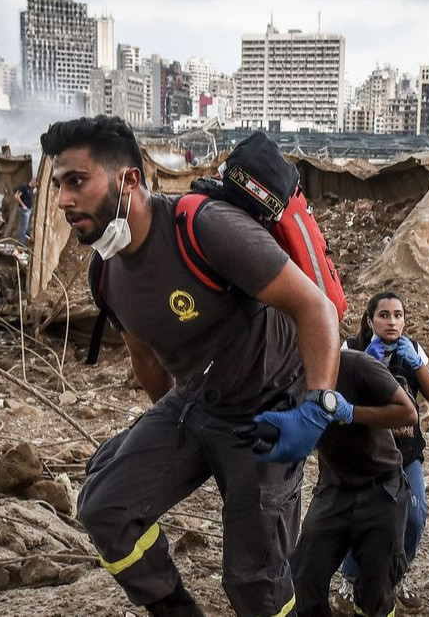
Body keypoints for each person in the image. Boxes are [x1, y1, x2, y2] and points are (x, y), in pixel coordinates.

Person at [46, 117, 341, 616]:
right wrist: (179, 439)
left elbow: (318, 309)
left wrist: (316, 409)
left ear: (129, 180)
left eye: (77, 181)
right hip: (199, 401)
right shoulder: (106, 271)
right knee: (106, 508)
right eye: (58, 185)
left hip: (271, 407)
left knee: (253, 580)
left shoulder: (202, 227)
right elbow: (145, 357)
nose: (62, 201)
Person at [286, 349, 417, 616]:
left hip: (381, 490)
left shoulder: (356, 365)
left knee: (375, 591)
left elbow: (408, 413)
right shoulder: (286, 371)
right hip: (334, 489)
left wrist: (352, 412)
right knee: (303, 576)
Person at [338, 292, 429, 613]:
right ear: (370, 320)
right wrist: (363, 364)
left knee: (414, 515)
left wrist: (418, 362)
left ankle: (397, 576)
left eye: (398, 315)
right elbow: (337, 397)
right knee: (356, 515)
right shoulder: (351, 349)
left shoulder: (410, 349)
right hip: (362, 451)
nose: (392, 321)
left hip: (405, 452)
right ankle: (351, 578)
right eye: (384, 315)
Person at [13, 178, 36, 245]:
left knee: (27, 225)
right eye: (35, 184)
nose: (35, 185)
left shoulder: (30, 190)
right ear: (32, 181)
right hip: (24, 210)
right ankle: (21, 242)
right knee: (24, 226)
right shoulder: (24, 187)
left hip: (29, 210)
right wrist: (23, 205)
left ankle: (27, 235)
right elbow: (16, 196)